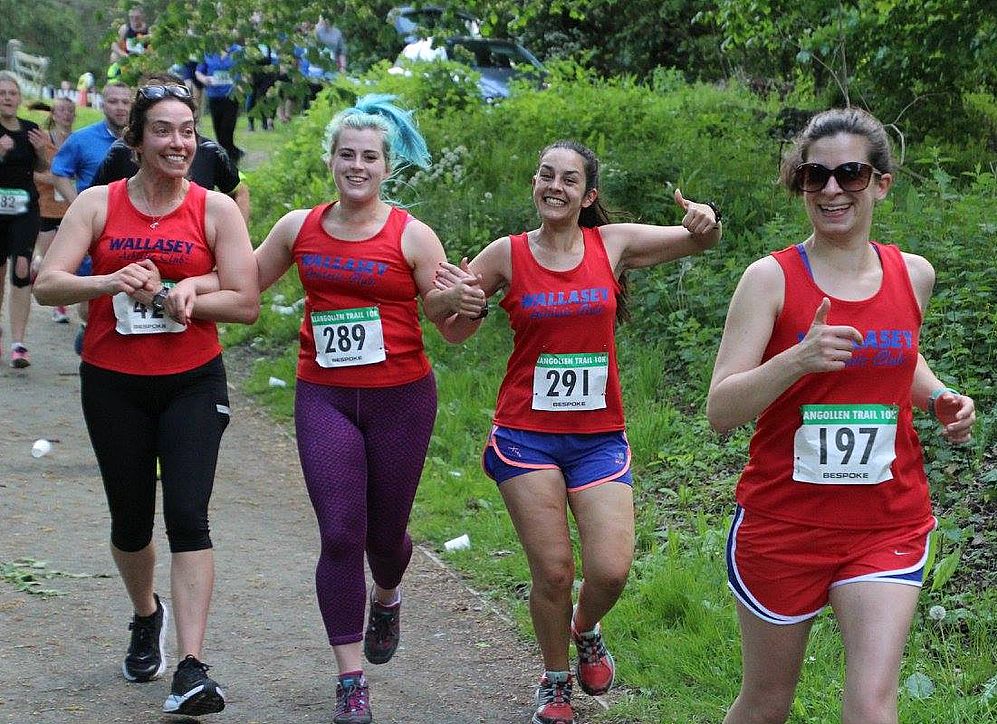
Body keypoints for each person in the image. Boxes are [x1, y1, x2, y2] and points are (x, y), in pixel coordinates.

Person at [434, 139, 721, 724]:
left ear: (588, 194)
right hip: (525, 434)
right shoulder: (507, 254)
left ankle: (585, 627)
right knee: (555, 570)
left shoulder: (610, 244)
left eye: (569, 179)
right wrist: (455, 297)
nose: (554, 187)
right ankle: (556, 679)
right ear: (535, 185)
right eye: (545, 175)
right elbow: (451, 330)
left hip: (597, 437)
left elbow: (700, 241)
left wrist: (705, 220)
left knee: (611, 570)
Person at [705, 107, 976, 724]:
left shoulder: (913, 275)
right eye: (815, 176)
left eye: (850, 174)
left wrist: (938, 399)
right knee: (767, 702)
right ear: (800, 185)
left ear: (881, 182)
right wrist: (796, 360)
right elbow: (721, 410)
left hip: (887, 522)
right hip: (783, 524)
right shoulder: (769, 280)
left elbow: (897, 358)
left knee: (873, 706)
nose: (832, 190)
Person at [220, 94, 480, 724]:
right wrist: (188, 295)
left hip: (401, 400)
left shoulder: (413, 235)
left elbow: (449, 328)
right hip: (325, 396)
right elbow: (245, 285)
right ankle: (350, 678)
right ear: (330, 160)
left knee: (385, 537)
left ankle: (386, 595)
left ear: (387, 167)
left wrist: (465, 305)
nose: (357, 165)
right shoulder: (297, 227)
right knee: (340, 532)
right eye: (346, 154)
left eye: (369, 157)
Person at [33, 80, 259, 716]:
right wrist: (111, 282)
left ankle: (191, 665)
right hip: (114, 381)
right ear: (135, 140)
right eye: (162, 130)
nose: (178, 142)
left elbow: (245, 302)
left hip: (192, 380)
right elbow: (50, 284)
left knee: (189, 516)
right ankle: (145, 613)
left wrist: (183, 293)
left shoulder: (215, 209)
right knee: (130, 522)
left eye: (187, 130)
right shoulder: (100, 205)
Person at [92, 74, 250, 224]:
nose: (177, 144)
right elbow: (93, 199)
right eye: (162, 130)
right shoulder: (121, 151)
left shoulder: (209, 150)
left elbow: (239, 189)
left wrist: (238, 236)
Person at [51, 80, 132, 353]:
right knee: (91, 291)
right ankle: (89, 329)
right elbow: (59, 171)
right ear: (101, 104)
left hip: (136, 225)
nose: (120, 108)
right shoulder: (83, 139)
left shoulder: (144, 140)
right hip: (96, 226)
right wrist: (77, 206)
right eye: (113, 101)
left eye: (125, 102)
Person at [0, 71, 49, 367]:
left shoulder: (30, 129)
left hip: (24, 209)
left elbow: (44, 167)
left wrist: (42, 150)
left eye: (12, 93)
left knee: (21, 269)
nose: (7, 98)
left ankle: (19, 343)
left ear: (19, 98)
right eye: (2, 93)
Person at [28, 97, 76, 323]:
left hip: (69, 209)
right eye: (62, 110)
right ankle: (37, 267)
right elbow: (32, 173)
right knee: (49, 258)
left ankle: (61, 306)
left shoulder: (77, 142)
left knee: (64, 262)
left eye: (70, 110)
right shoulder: (43, 141)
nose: (66, 114)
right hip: (46, 207)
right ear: (53, 114)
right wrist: (57, 179)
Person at [195, 46, 242, 165]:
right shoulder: (208, 51)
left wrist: (242, 83)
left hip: (232, 95)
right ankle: (234, 152)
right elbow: (198, 71)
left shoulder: (237, 50)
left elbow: (245, 70)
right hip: (214, 95)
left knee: (227, 128)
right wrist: (204, 79)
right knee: (219, 131)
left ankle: (230, 160)